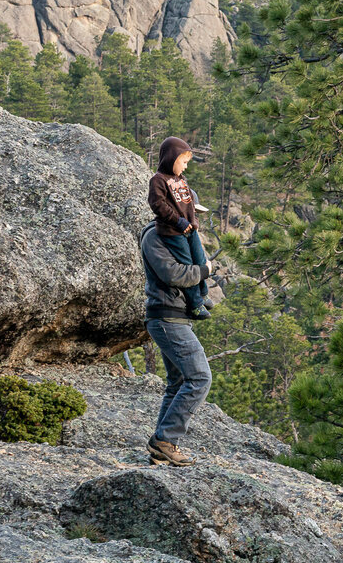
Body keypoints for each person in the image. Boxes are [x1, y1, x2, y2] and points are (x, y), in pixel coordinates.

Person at [140, 219, 221, 466]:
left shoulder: (180, 237)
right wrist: (204, 270)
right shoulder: (155, 235)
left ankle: (162, 446)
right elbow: (173, 274)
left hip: (175, 317)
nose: (193, 219)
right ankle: (165, 439)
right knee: (199, 378)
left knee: (177, 383)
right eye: (191, 212)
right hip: (167, 318)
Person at [148, 136, 211, 319]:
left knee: (199, 258)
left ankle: (203, 294)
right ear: (171, 158)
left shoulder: (181, 179)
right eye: (183, 162)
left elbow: (189, 204)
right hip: (173, 231)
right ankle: (195, 305)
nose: (185, 166)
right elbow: (158, 205)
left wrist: (194, 223)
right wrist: (179, 222)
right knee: (187, 264)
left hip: (189, 229)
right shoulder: (158, 180)